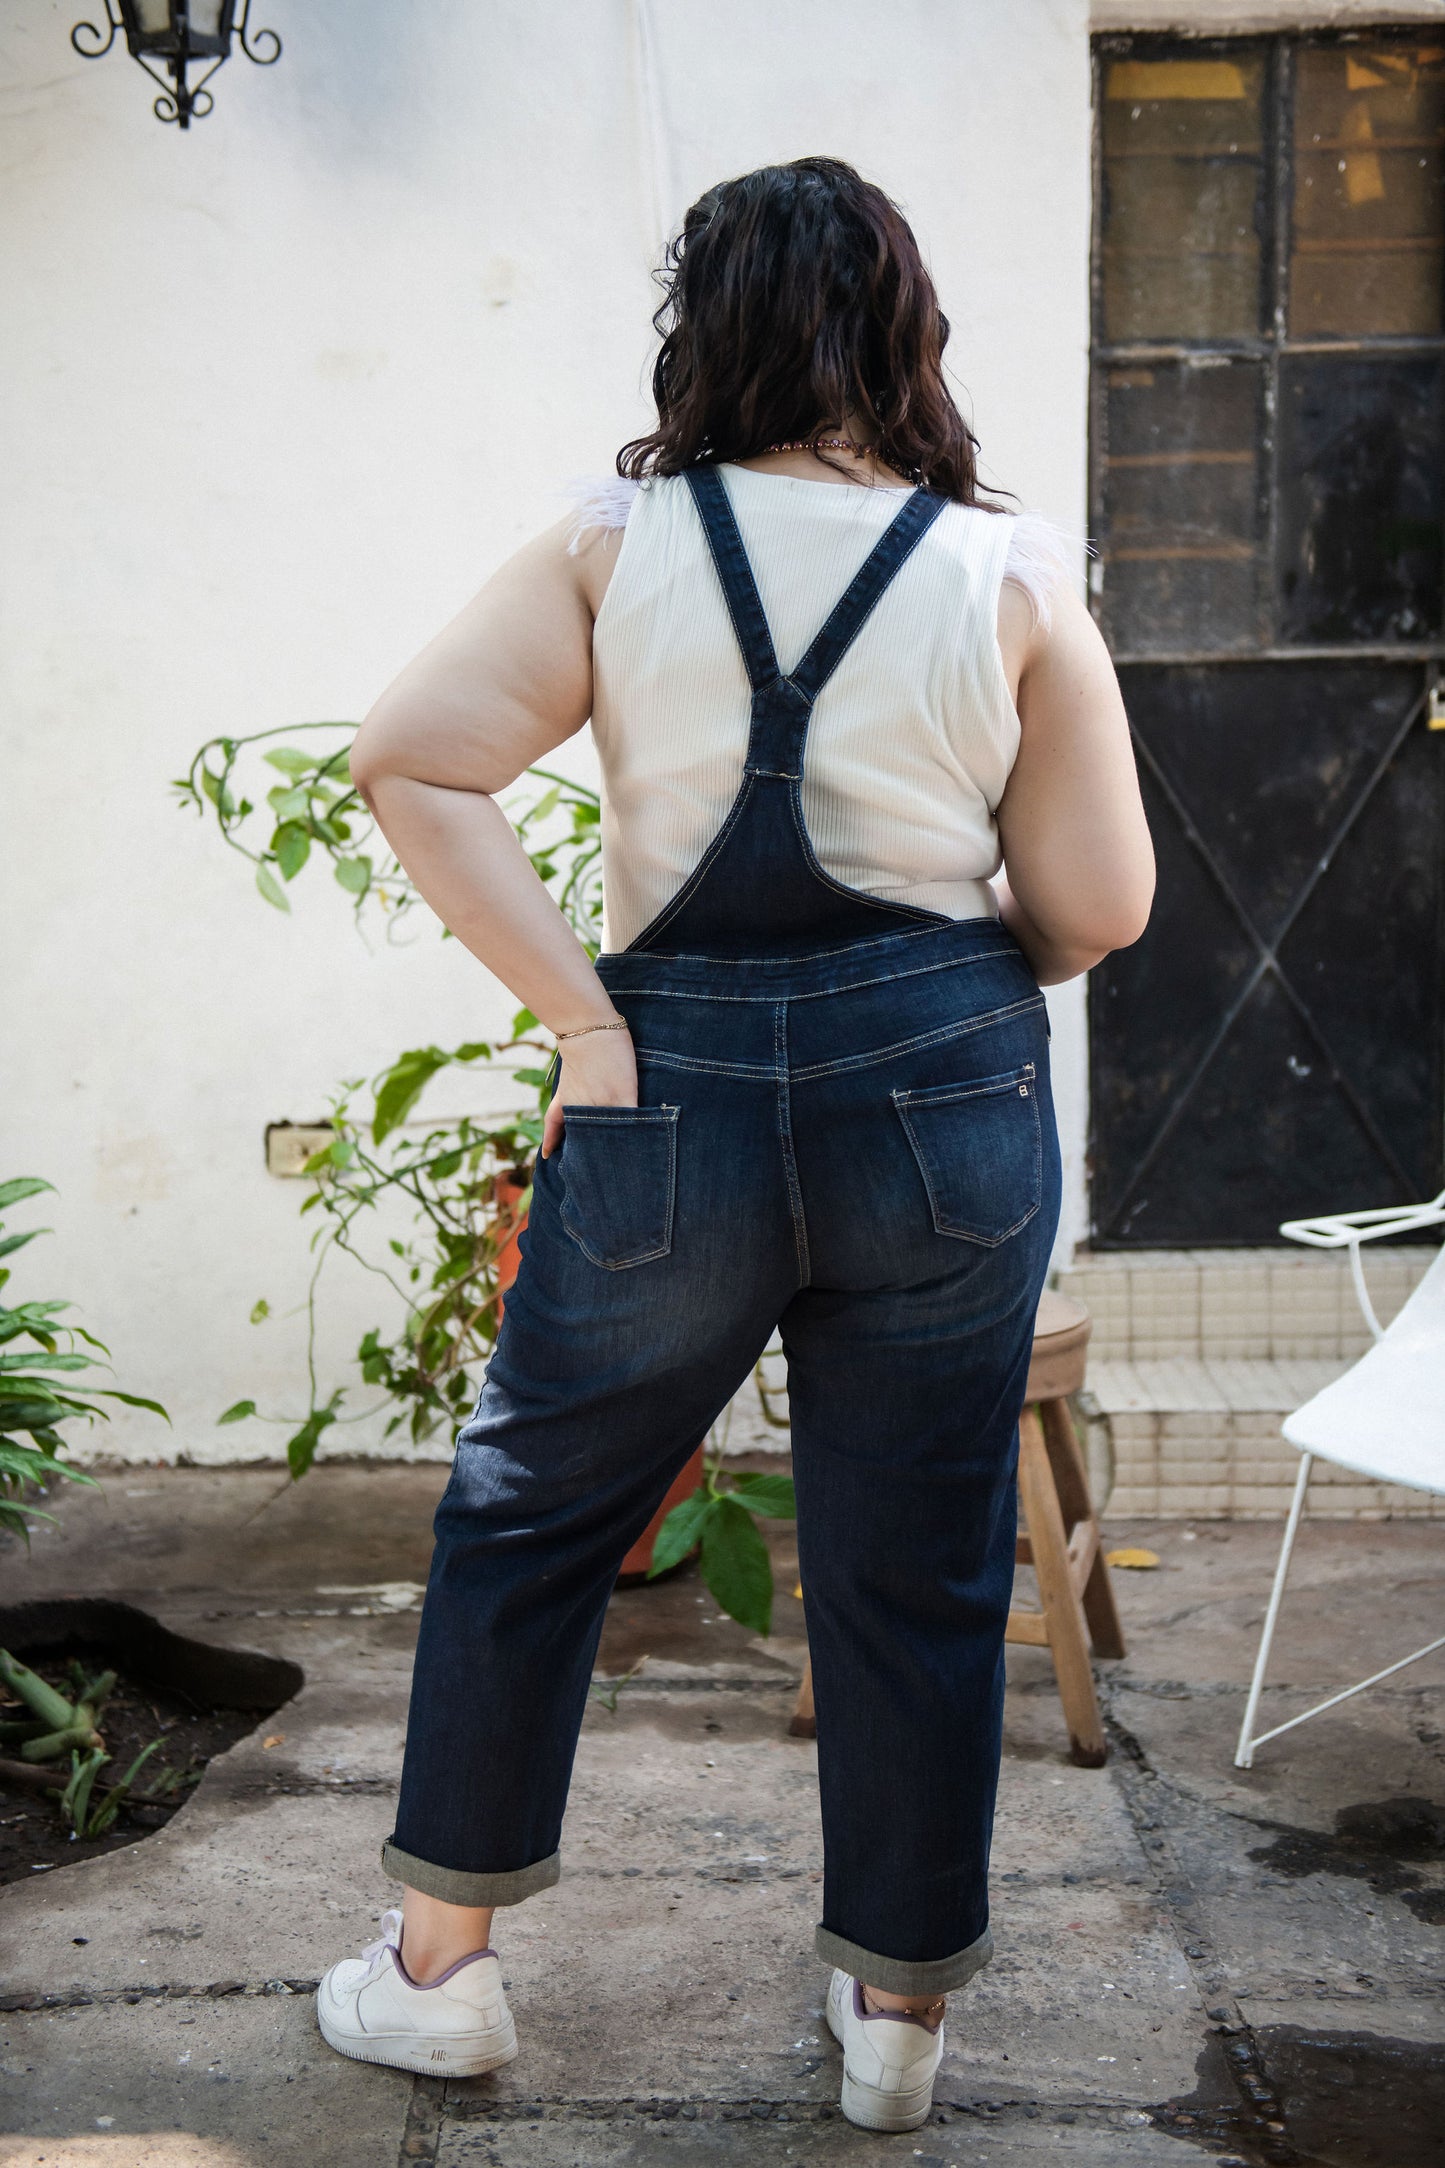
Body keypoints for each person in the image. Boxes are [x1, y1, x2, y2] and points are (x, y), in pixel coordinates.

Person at [314, 157, 1153, 2133]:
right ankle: (893, 2016)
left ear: (709, 322)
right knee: (920, 1554)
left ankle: (437, 1973)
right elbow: (1101, 904)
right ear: (905, 326)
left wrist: (588, 1015)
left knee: (531, 1514)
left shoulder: (618, 540)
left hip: (666, 1081)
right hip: (941, 1089)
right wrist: (945, 1003)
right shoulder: (1007, 569)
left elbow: (409, 755)